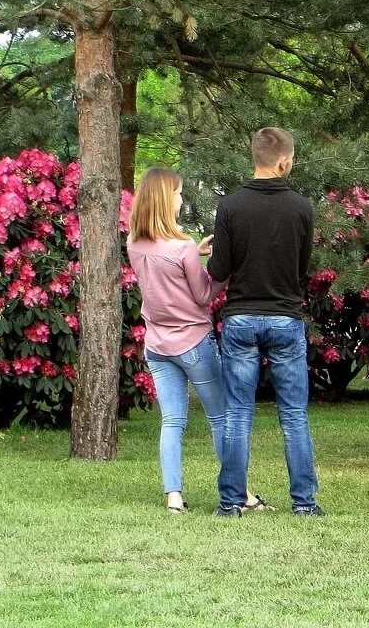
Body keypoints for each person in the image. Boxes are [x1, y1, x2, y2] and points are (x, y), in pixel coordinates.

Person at [128, 167, 266, 514]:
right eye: (177, 193)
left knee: (172, 421)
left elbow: (165, 279)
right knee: (220, 418)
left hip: (157, 345)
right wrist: (226, 271)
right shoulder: (183, 246)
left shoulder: (134, 242)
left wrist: (197, 256)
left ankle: (173, 497)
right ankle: (243, 494)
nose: (180, 199)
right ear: (164, 200)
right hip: (193, 343)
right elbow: (204, 295)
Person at [208, 127, 324, 518]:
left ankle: (230, 502)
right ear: (284, 160)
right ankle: (304, 503)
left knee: (238, 413)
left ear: (253, 156)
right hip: (285, 317)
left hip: (240, 316)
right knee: (293, 413)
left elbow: (219, 269)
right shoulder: (301, 207)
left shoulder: (230, 207)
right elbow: (302, 268)